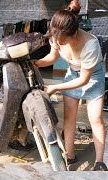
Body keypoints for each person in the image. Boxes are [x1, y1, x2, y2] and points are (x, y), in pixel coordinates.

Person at [34, 4, 107, 171]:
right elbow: (51, 57)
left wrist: (56, 88)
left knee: (95, 119)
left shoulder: (90, 44)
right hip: (73, 74)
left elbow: (84, 80)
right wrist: (36, 63)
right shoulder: (56, 35)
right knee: (69, 117)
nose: (59, 43)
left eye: (63, 41)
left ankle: (100, 162)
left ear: (74, 33)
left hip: (92, 76)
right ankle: (70, 156)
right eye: (56, 40)